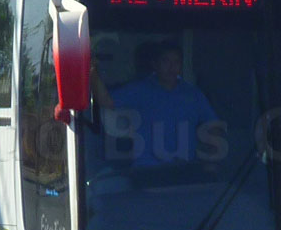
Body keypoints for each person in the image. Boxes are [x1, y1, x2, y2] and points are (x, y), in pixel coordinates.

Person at [91, 41, 219, 167]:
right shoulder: (140, 90)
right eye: (165, 61)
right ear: (155, 64)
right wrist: (91, 70)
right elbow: (106, 101)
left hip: (185, 173)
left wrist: (211, 162)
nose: (171, 67)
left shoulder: (194, 95)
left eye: (176, 62)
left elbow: (213, 127)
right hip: (147, 172)